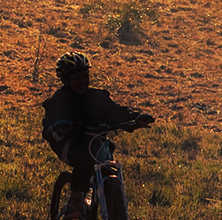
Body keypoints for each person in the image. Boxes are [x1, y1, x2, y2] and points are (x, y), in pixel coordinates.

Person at [43, 52, 154, 190]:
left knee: (108, 164)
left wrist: (136, 118)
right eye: (77, 78)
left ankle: (113, 202)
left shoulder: (98, 97)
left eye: (86, 77)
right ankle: (75, 201)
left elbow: (116, 111)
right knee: (86, 156)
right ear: (65, 81)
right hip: (69, 145)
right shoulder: (58, 101)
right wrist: (57, 129)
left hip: (96, 142)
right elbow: (48, 125)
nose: (83, 82)